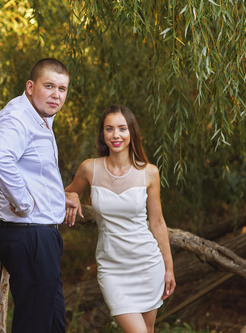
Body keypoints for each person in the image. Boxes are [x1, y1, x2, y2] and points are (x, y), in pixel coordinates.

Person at [65, 104, 176, 333]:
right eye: (109, 129)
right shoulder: (89, 168)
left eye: (122, 128)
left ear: (131, 133)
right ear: (102, 134)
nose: (116, 135)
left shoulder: (149, 172)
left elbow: (157, 223)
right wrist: (74, 195)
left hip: (147, 264)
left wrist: (169, 268)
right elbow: (67, 192)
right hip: (112, 267)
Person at [0, 58, 76, 333]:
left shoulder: (40, 119)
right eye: (49, 86)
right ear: (30, 86)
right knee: (34, 325)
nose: (56, 95)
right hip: (28, 233)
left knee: (53, 323)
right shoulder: (18, 117)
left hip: (39, 235)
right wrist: (24, 202)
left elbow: (35, 172)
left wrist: (61, 197)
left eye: (62, 89)